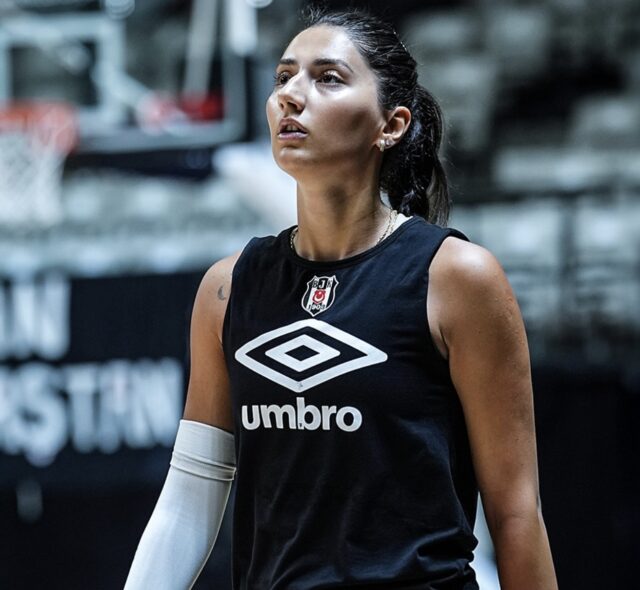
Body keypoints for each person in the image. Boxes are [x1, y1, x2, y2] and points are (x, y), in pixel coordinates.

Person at [125, 6, 558, 590]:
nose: (290, 95)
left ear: (391, 125)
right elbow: (189, 497)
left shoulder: (458, 278)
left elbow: (516, 515)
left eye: (327, 78)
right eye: (284, 77)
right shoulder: (227, 290)